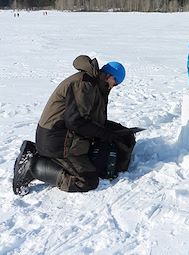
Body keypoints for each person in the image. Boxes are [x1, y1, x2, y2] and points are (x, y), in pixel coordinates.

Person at [12, 55, 137, 196]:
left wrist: (115, 131)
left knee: (94, 156)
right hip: (57, 140)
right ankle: (33, 166)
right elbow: (76, 121)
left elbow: (90, 119)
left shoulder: (93, 84)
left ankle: (39, 152)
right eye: (115, 83)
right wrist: (104, 133)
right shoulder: (84, 84)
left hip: (58, 136)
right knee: (88, 180)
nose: (114, 87)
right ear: (110, 76)